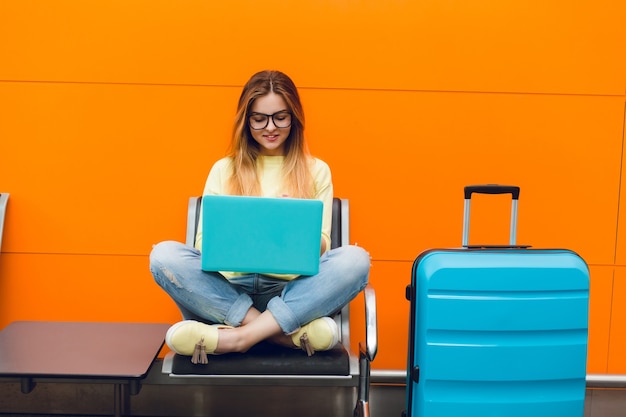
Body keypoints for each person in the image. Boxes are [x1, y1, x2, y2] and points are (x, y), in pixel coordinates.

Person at [149, 70, 370, 362]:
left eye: (280, 117)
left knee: (356, 260)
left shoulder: (317, 170)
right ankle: (281, 336)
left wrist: (291, 230)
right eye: (259, 118)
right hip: (228, 292)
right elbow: (204, 247)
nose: (270, 127)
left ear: (295, 117)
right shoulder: (223, 170)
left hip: (290, 293)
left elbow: (322, 246)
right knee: (163, 255)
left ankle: (239, 338)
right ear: (246, 120)